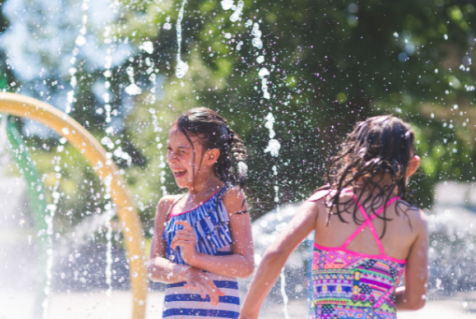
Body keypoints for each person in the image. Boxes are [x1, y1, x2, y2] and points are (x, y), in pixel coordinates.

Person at [239, 115, 429, 319]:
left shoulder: (324, 203)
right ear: (412, 166)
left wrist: (248, 313)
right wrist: (370, 299)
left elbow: (275, 254)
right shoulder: (414, 221)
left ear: (350, 158)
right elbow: (415, 300)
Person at [148, 107, 255, 319]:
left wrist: (195, 258)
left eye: (181, 151)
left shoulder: (229, 198)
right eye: (169, 149)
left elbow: (245, 265)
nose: (171, 158)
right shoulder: (167, 205)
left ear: (211, 156)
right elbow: (153, 267)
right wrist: (186, 271)